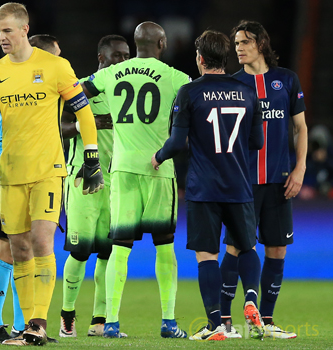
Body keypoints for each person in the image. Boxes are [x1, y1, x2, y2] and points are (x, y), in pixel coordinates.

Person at [0, 2, 104, 345]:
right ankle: (29, 328)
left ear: (25, 29)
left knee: (42, 242)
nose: (2, 37)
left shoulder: (55, 66)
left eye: (8, 30)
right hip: (11, 173)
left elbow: (84, 114)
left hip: (48, 169)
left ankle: (39, 324)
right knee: (20, 250)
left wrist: (91, 158)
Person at [152, 30, 265, 341]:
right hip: (239, 185)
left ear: (200, 59)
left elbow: (176, 143)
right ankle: (252, 299)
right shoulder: (247, 92)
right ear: (225, 58)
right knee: (248, 246)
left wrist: (159, 157)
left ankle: (215, 324)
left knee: (207, 256)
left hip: (204, 188)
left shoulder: (190, 92)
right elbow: (256, 141)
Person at [81, 21, 189, 338]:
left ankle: (111, 322)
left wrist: (91, 121)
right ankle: (169, 322)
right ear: (162, 43)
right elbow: (197, 104)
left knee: (120, 248)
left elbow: (75, 95)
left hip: (123, 168)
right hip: (160, 169)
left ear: (136, 43)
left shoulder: (110, 74)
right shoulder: (175, 77)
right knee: (165, 248)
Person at [219, 20, 307, 340]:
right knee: (235, 247)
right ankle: (224, 322)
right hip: (243, 182)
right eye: (237, 43)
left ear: (261, 43)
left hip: (279, 181)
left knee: (277, 249)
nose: (239, 47)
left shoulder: (286, 80)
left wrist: (299, 169)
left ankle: (265, 322)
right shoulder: (231, 83)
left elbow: (301, 128)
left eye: (245, 42)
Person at [0, 33, 61, 345]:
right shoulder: (16, 91)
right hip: (13, 177)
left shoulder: (44, 94)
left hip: (40, 176)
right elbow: (2, 141)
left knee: (30, 251)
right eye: (54, 56)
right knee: (9, 251)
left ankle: (25, 326)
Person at [59, 34, 129, 338]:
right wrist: (86, 124)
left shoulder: (128, 92)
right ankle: (67, 315)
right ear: (101, 59)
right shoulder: (80, 88)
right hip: (82, 180)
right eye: (117, 56)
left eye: (127, 56)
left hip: (116, 184)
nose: (124, 62)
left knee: (107, 253)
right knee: (79, 252)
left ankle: (99, 320)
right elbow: (57, 127)